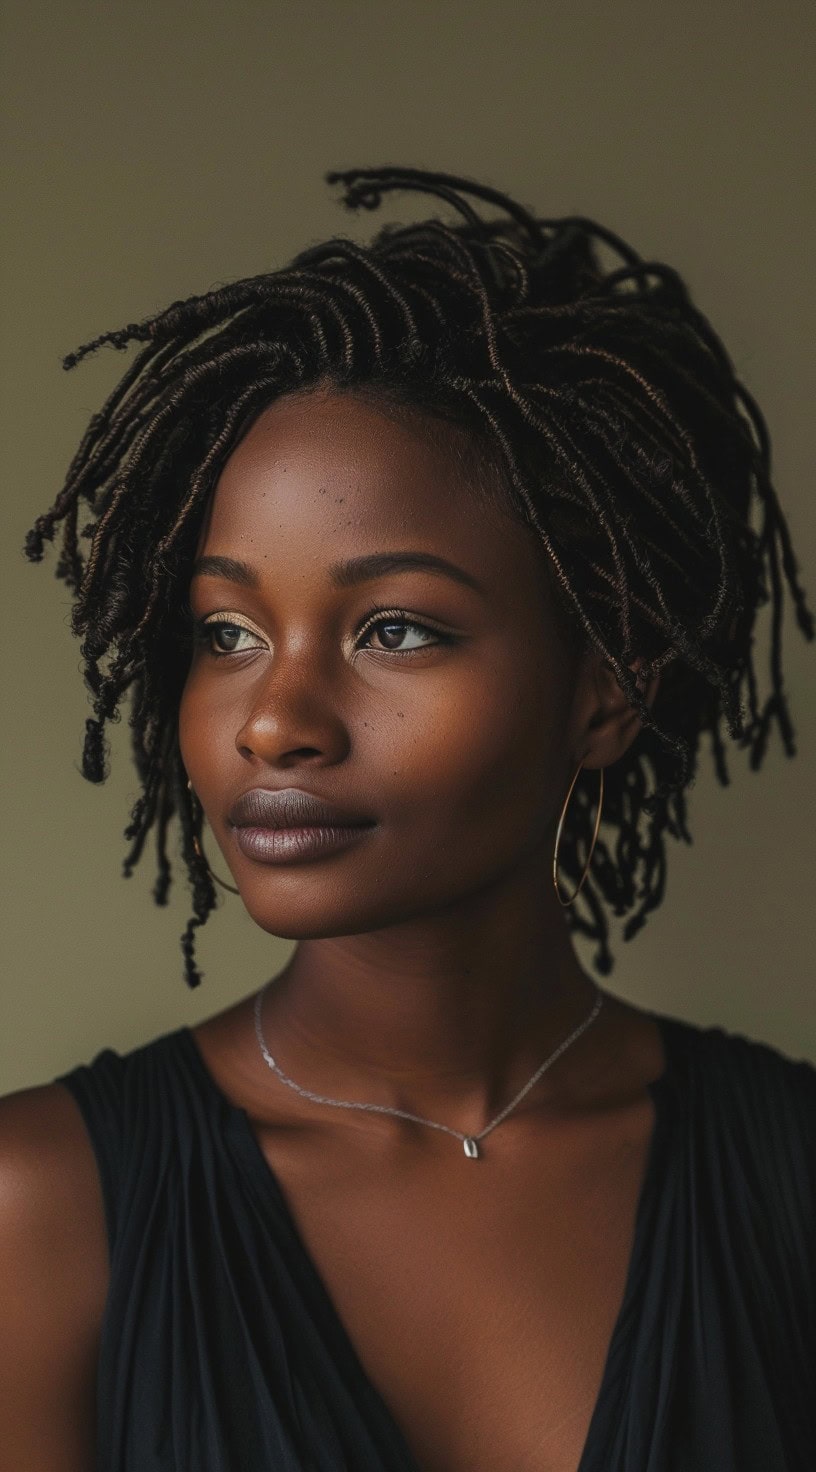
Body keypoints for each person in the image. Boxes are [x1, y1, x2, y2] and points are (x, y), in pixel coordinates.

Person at [2, 165, 814, 1471]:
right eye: (227, 632)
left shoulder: (786, 1187)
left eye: (395, 630)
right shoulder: (41, 1210)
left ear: (606, 691)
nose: (275, 720)